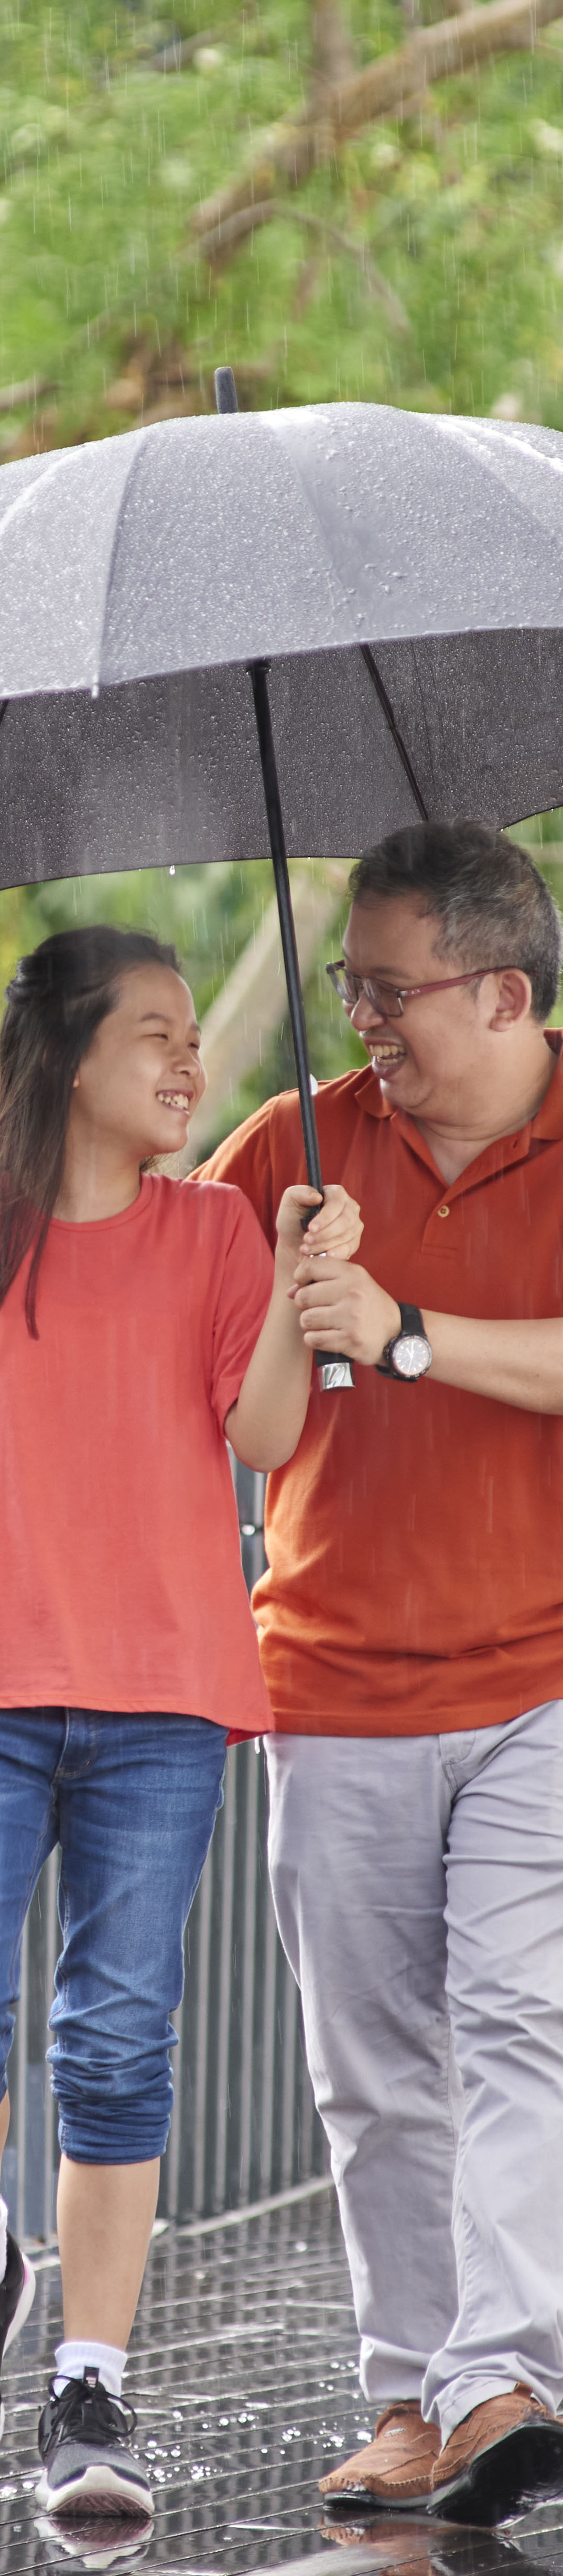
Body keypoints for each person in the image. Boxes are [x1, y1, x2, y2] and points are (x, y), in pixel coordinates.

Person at [195, 820, 563, 2525]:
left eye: (388, 991)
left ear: (502, 990)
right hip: (327, 1685)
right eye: (343, 985)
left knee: (515, 2022)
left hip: (541, 1682)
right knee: (371, 2075)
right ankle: (414, 2397)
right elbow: (198, 1371)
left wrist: (404, 1332)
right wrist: (285, 1284)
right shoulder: (296, 1144)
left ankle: (507, 2376)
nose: (361, 1024)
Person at [0, 920, 360, 2524]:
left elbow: (271, 1431)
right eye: (150, 1031)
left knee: (116, 2045)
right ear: (71, 1053)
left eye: (185, 1031)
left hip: (159, 1703)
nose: (184, 1058)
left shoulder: (218, 1231)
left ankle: (92, 2388)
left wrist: (299, 1281)